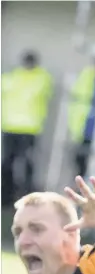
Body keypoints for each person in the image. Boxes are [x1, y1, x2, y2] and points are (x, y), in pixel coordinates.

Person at [1, 51, 53, 205]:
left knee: (25, 163)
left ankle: (23, 195)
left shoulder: (40, 78)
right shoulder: (18, 77)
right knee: (11, 163)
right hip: (14, 127)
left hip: (27, 128)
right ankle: (8, 195)